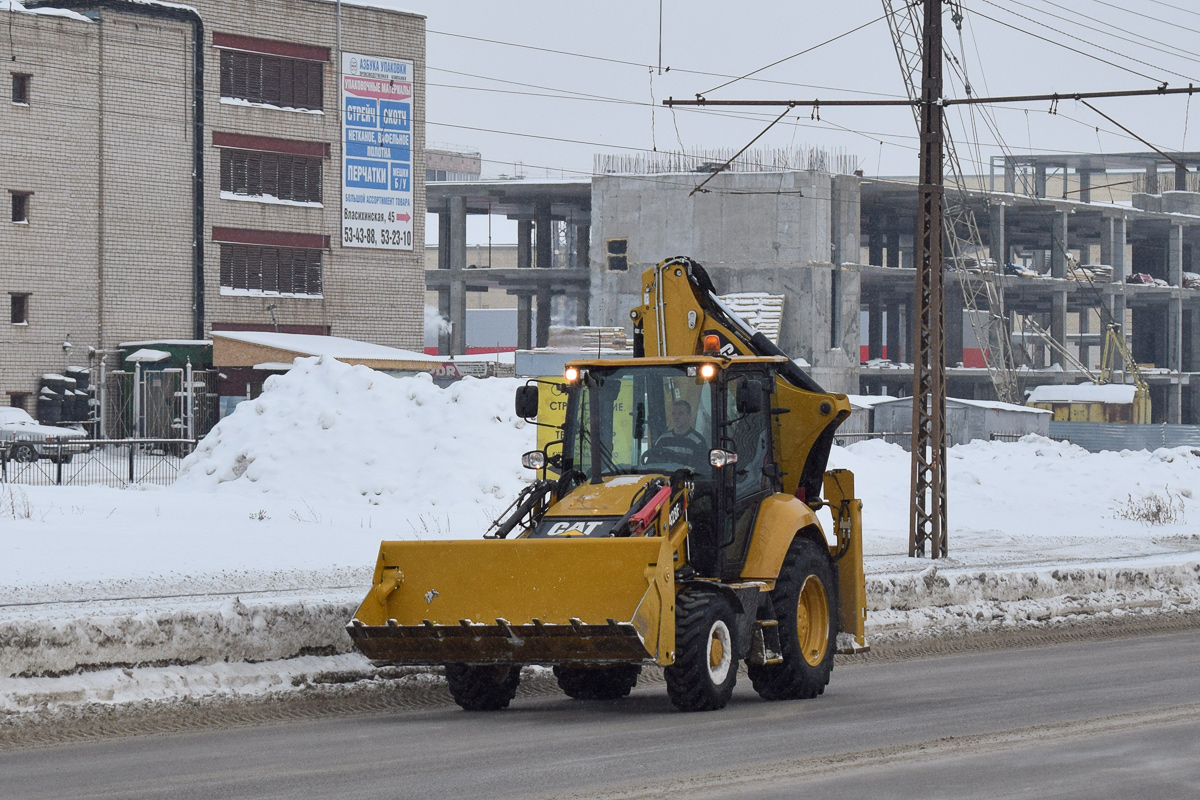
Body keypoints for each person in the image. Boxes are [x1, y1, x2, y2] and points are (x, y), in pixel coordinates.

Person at [654, 399, 707, 466]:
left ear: (689, 415)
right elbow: (654, 463)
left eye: (680, 413)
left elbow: (700, 470)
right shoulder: (662, 440)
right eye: (674, 413)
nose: (676, 417)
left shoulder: (697, 442)